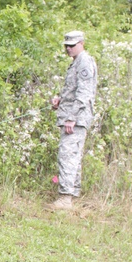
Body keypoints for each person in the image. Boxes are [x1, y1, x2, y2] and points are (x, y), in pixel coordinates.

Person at [50, 30, 98, 211]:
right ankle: (71, 195)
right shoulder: (76, 62)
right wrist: (60, 100)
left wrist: (71, 117)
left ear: (82, 43)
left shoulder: (84, 61)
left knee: (67, 155)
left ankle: (65, 198)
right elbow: (74, 90)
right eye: (66, 45)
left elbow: (84, 94)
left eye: (72, 45)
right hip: (72, 115)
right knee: (73, 155)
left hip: (75, 118)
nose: (68, 48)